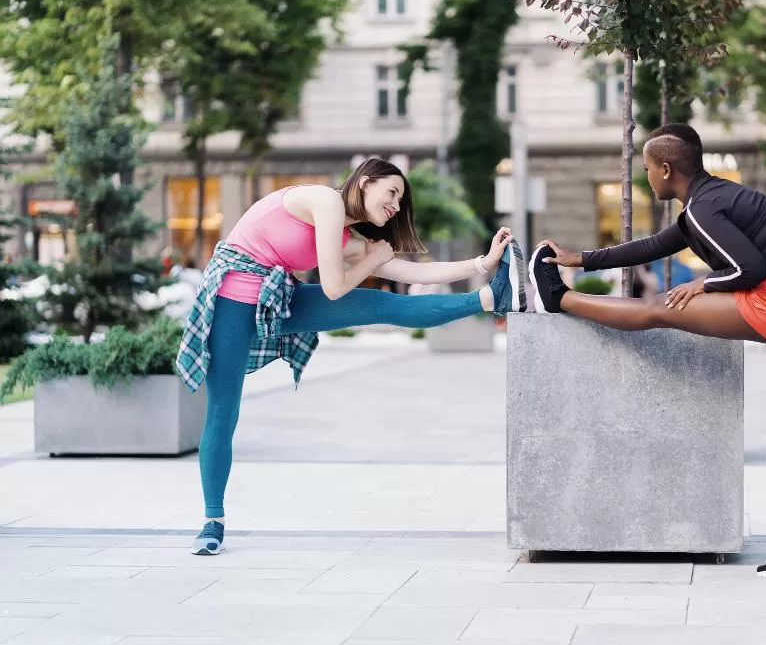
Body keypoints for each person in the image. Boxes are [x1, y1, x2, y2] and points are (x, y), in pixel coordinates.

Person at [528, 124, 766, 583]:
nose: (646, 179)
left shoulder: (704, 209)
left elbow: (749, 268)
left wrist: (705, 282)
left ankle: (558, 300)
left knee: (659, 309)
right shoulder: (712, 201)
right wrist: (582, 258)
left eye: (646, 171)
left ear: (665, 169)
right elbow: (654, 245)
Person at [177, 157, 527, 555]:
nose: (395, 205)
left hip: (275, 300)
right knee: (223, 412)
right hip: (231, 300)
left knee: (379, 304)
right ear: (364, 182)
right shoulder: (324, 201)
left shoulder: (346, 239)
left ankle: (488, 296)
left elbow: (411, 274)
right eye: (391, 192)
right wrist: (372, 261)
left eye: (400, 199)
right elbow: (332, 287)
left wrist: (482, 263)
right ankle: (212, 521)